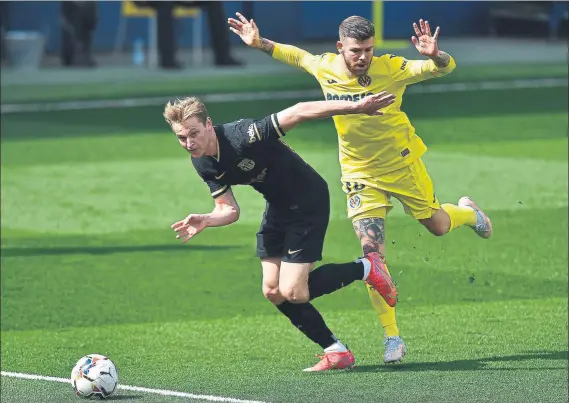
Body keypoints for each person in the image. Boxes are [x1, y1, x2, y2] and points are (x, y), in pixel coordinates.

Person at [229, 13, 493, 364]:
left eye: (368, 49)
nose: (363, 57)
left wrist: (435, 55)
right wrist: (259, 42)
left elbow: (443, 68)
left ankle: (468, 212)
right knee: (374, 258)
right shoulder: (325, 67)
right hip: (359, 173)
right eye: (356, 50)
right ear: (341, 47)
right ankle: (392, 336)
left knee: (438, 225)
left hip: (401, 164)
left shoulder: (391, 67)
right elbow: (295, 55)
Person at [164, 92, 398, 372]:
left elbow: (299, 111)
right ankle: (336, 351)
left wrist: (356, 107)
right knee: (273, 291)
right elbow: (229, 209)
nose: (189, 143)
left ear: (209, 124)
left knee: (295, 292)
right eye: (181, 138)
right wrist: (207, 219)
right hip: (278, 206)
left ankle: (367, 267)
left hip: (308, 200)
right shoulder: (202, 161)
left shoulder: (242, 135)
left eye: (194, 133)